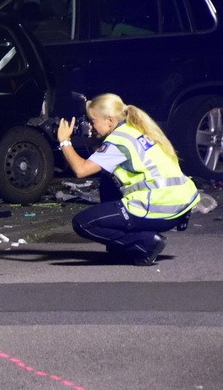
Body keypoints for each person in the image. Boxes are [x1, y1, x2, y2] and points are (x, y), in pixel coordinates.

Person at [56, 93, 199, 266]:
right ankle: (122, 247)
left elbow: (81, 170)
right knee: (108, 181)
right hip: (179, 203)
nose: (90, 126)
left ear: (109, 120)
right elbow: (104, 162)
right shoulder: (134, 130)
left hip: (159, 206)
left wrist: (65, 141)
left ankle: (145, 243)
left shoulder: (118, 142)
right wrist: (95, 140)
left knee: (83, 223)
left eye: (93, 121)